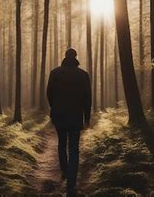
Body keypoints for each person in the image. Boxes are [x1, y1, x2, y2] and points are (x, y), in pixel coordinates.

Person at [47, 48, 92, 196]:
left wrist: (54, 108)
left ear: (65, 57)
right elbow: (87, 98)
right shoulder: (83, 75)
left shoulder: (55, 73)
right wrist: (87, 118)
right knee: (74, 149)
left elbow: (49, 94)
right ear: (76, 57)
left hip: (59, 115)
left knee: (61, 143)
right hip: (75, 116)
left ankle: (65, 172)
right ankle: (71, 184)